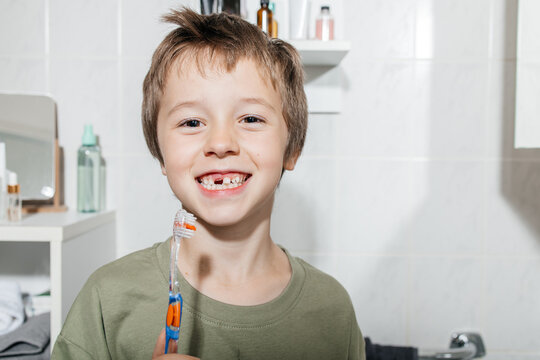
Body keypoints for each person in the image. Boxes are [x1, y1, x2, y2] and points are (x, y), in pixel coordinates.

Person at [51, 8, 365, 360]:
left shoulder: (331, 312)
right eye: (191, 122)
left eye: (250, 118)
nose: (220, 142)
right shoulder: (107, 301)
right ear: (160, 155)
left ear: (291, 150)